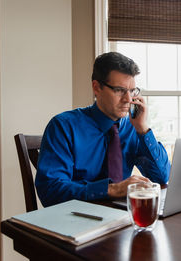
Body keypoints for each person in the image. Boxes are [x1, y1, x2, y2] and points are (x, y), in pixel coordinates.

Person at [35, 52, 171, 207]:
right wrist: (111, 189)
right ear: (96, 87)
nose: (128, 99)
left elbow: (161, 177)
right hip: (75, 219)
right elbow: (50, 191)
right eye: (119, 90)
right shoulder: (63, 126)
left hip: (122, 217)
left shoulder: (133, 128)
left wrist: (143, 129)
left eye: (132, 91)